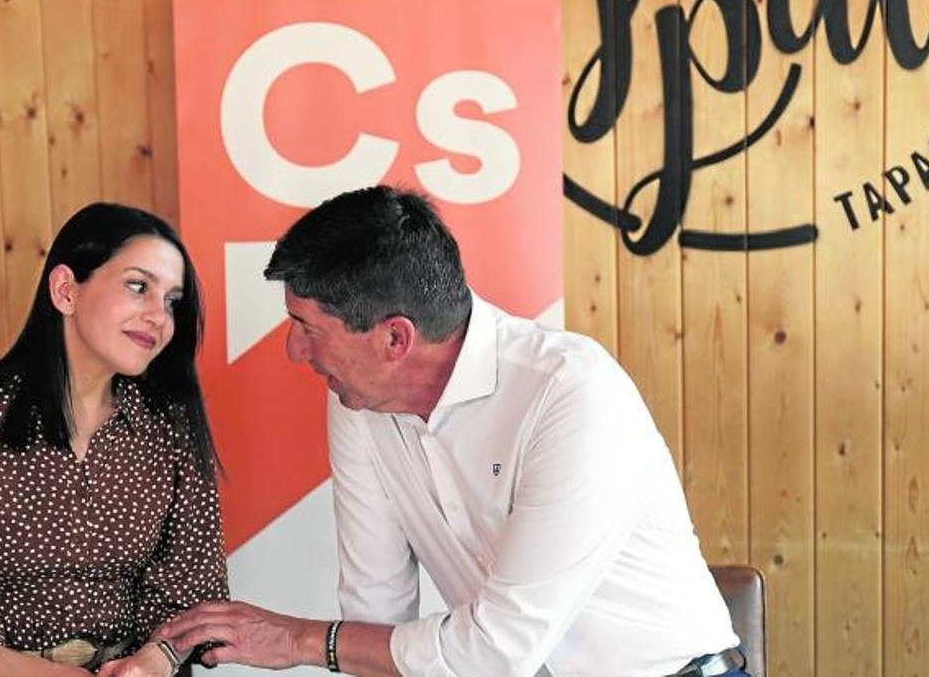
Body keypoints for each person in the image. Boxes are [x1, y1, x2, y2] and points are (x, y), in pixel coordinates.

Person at [159, 186, 747, 676]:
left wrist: (302, 641)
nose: (293, 351)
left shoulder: (570, 391)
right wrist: (332, 644)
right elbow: (376, 608)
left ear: (395, 339)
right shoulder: (356, 402)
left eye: (307, 328)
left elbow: (499, 648)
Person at [0, 202, 227, 677]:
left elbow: (193, 591)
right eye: (138, 287)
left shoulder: (170, 429)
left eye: (172, 300)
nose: (160, 317)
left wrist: (153, 661)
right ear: (66, 290)